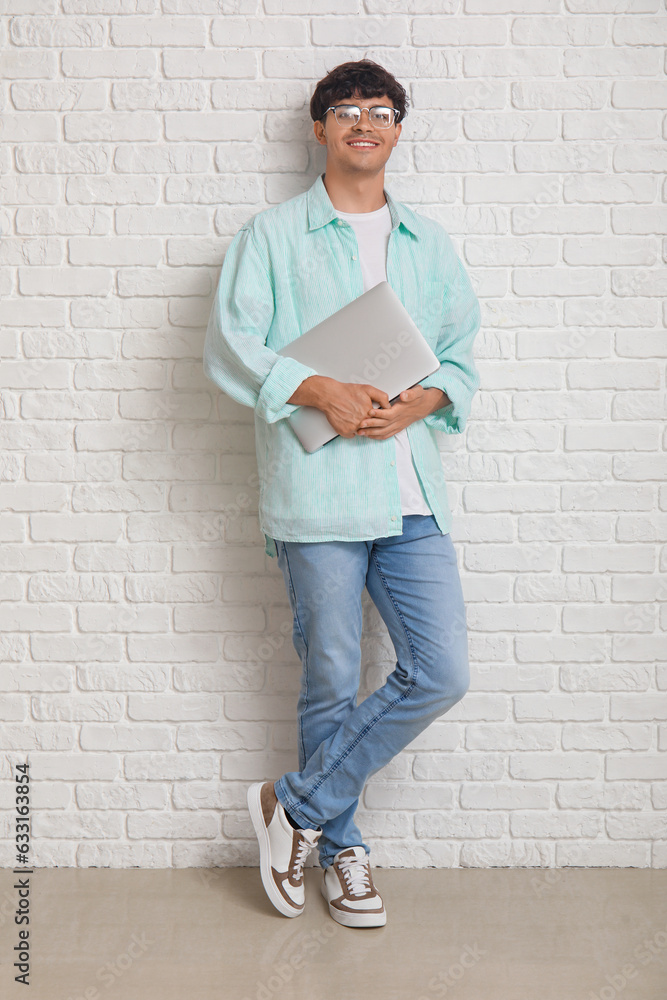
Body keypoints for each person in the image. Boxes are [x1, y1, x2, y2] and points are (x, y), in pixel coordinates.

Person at [203, 58, 481, 928]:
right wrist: (316, 386)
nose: (366, 121)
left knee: (439, 672)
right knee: (329, 674)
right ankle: (344, 851)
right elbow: (232, 344)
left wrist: (424, 402)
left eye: (382, 109)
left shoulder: (427, 244)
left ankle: (297, 807)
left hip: (410, 497)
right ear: (319, 127)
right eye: (347, 109)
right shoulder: (272, 235)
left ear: (398, 129)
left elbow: (461, 355)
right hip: (317, 491)